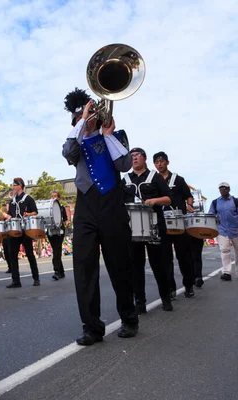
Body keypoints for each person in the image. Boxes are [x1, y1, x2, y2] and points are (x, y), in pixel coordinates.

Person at [62, 88, 139, 346]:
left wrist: (106, 134)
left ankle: (129, 318)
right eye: (80, 118)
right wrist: (82, 121)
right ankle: (92, 327)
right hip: (85, 206)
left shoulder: (115, 137)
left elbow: (125, 165)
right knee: (84, 267)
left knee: (119, 264)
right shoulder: (75, 142)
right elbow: (68, 153)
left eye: (87, 115)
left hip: (111, 204)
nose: (85, 119)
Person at [123, 147, 173, 314]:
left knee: (159, 265)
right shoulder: (125, 179)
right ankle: (140, 302)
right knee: (135, 268)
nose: (134, 158)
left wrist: (154, 200)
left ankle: (166, 298)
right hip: (132, 230)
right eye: (131, 156)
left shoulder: (155, 177)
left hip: (154, 228)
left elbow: (168, 199)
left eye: (137, 155)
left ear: (144, 159)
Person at [153, 151, 196, 296]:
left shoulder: (178, 180)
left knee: (184, 256)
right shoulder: (154, 180)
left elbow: (189, 196)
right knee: (165, 258)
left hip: (178, 223)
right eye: (156, 162)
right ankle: (170, 288)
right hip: (162, 223)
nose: (159, 164)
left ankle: (188, 285)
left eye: (161, 161)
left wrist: (189, 205)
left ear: (167, 162)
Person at [2, 178, 40, 288]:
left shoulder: (28, 198)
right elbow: (11, 215)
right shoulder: (12, 201)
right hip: (14, 230)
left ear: (20, 186)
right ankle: (16, 281)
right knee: (12, 255)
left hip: (25, 230)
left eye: (14, 185)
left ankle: (36, 278)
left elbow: (35, 212)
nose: (13, 187)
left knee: (29, 254)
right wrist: (6, 216)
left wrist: (28, 214)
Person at [209, 182, 238, 281]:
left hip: (235, 229)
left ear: (229, 189)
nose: (223, 190)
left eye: (225, 188)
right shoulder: (215, 202)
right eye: (221, 189)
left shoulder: (235, 201)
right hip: (222, 230)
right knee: (225, 250)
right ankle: (227, 272)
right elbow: (211, 215)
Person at [48, 191, 69, 280]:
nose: (53, 198)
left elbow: (65, 219)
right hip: (51, 231)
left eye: (55, 196)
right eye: (52, 196)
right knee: (55, 250)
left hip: (59, 230)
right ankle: (62, 272)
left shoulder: (61, 208)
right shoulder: (49, 208)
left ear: (59, 198)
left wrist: (67, 222)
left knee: (57, 250)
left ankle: (56, 271)